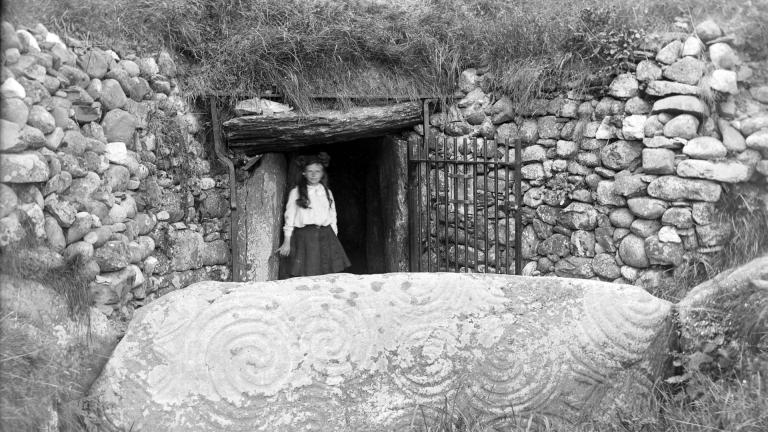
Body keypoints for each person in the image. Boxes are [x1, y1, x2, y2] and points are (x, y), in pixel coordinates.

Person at [277, 153, 351, 276]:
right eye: (310, 171)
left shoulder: (327, 192)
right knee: (308, 272)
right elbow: (289, 218)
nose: (313, 175)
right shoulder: (296, 192)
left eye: (317, 171)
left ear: (322, 174)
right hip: (306, 237)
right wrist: (287, 241)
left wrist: (334, 237)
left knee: (327, 272)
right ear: (304, 173)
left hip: (326, 235)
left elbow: (333, 216)